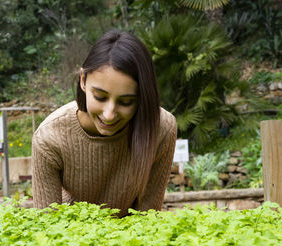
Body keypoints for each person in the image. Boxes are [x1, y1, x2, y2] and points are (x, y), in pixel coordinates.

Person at [32, 30, 177, 217]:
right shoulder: (49, 138)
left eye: (126, 102)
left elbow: (148, 217)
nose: (109, 115)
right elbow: (46, 224)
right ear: (83, 81)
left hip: (129, 241)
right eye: (100, 97)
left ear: (143, 97)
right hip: (70, 238)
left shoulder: (161, 128)